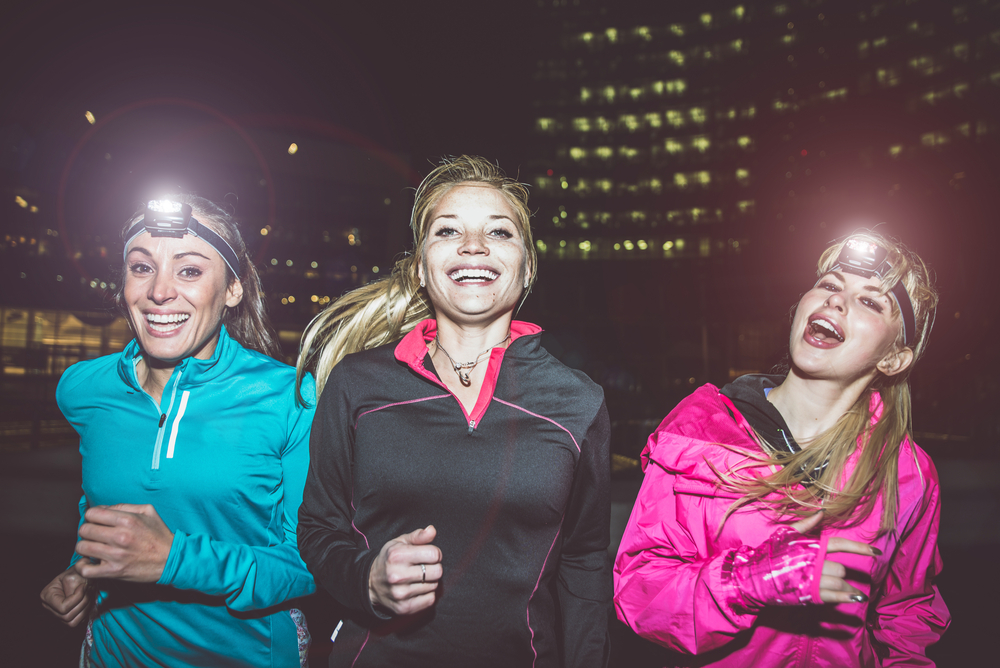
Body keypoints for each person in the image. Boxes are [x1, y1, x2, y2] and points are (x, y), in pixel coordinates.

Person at [296, 155, 611, 668]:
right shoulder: (356, 383)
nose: (474, 245)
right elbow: (317, 526)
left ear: (528, 267)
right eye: (448, 231)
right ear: (421, 267)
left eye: (499, 232)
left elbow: (584, 560)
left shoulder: (578, 401)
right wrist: (365, 580)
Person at [613, 233, 950, 666]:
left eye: (870, 301)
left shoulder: (906, 470)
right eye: (829, 285)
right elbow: (640, 597)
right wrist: (755, 579)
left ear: (893, 359)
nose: (836, 300)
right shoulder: (699, 434)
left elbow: (907, 614)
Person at [39, 196, 317, 667]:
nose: (159, 292)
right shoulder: (84, 389)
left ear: (232, 290)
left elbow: (310, 566)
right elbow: (99, 503)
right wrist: (81, 570)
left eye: (189, 270)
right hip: (110, 655)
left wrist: (175, 561)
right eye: (141, 268)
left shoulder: (290, 399)